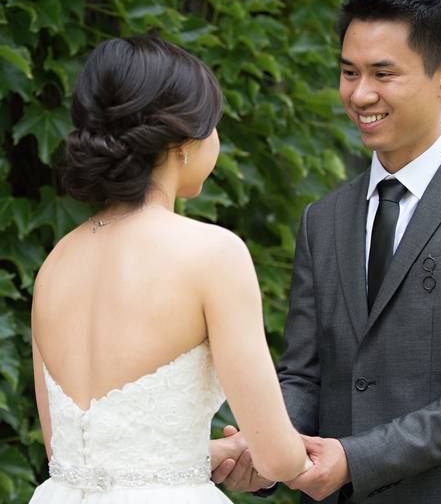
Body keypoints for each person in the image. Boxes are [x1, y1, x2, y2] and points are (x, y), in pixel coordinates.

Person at [211, 0, 441, 503]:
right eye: (349, 72)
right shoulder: (320, 220)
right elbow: (303, 375)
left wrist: (355, 459)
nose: (360, 94)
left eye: (383, 74)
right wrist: (263, 449)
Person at [29, 37, 315, 503]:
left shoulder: (55, 263)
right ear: (182, 142)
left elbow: (73, 454)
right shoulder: (213, 254)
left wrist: (207, 451)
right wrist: (289, 457)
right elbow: (277, 457)